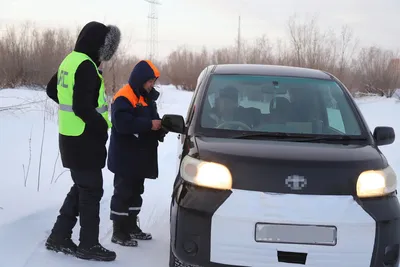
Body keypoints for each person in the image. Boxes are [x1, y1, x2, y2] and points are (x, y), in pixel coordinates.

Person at [44, 21, 121, 261]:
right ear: (97, 44)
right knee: (91, 190)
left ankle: (59, 236)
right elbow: (82, 107)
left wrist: (70, 111)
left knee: (83, 187)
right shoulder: (86, 66)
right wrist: (100, 127)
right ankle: (88, 245)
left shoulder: (70, 60)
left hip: (70, 136)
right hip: (84, 139)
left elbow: (50, 89)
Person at [107, 60, 167, 247]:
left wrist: (161, 128)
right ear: (140, 79)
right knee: (123, 192)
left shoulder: (147, 98)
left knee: (136, 192)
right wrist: (149, 125)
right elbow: (122, 123)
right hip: (125, 155)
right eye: (149, 81)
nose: (151, 85)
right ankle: (118, 231)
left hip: (140, 156)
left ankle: (132, 226)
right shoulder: (124, 96)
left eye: (153, 82)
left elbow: (153, 119)